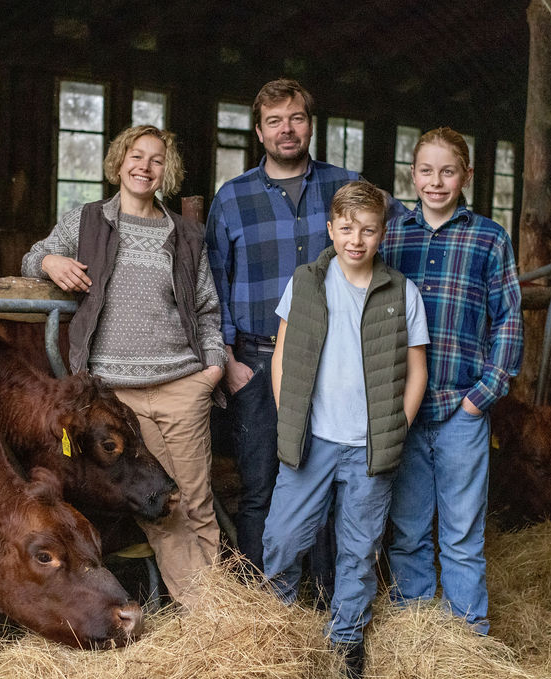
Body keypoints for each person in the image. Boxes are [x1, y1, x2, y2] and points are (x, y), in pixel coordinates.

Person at [21, 125, 225, 609]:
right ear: (119, 163)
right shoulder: (87, 222)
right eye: (137, 156)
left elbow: (208, 309)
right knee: (162, 506)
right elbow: (30, 257)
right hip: (116, 399)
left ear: (166, 172)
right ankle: (213, 617)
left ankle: (221, 615)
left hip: (181, 385)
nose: (145, 167)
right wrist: (50, 261)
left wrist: (210, 371)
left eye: (157, 160)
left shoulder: (186, 234)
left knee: (198, 503)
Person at [206, 78, 373, 578]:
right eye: (275, 120)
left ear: (310, 125)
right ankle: (260, 606)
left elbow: (399, 228)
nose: (287, 129)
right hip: (256, 361)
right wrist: (229, 362)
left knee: (324, 483)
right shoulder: (232, 198)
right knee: (259, 485)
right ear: (259, 131)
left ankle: (322, 600)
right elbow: (212, 284)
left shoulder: (346, 187)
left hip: (332, 360)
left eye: (296, 118)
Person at [262, 181, 428, 678]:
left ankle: (346, 641)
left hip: (368, 447)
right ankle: (276, 624)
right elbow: (282, 356)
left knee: (358, 549)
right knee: (284, 538)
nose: (357, 239)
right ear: (331, 228)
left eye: (369, 230)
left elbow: (416, 369)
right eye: (347, 228)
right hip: (312, 440)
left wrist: (398, 426)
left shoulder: (401, 291)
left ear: (382, 234)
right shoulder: (307, 282)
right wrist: (289, 415)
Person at [382, 127, 524, 635]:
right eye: (426, 171)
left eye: (447, 171)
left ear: (466, 175)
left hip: (462, 408)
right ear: (412, 174)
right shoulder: (392, 235)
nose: (435, 182)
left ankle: (466, 636)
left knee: (462, 533)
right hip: (405, 408)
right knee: (408, 529)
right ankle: (417, 633)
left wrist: (481, 397)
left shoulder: (489, 237)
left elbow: (507, 319)